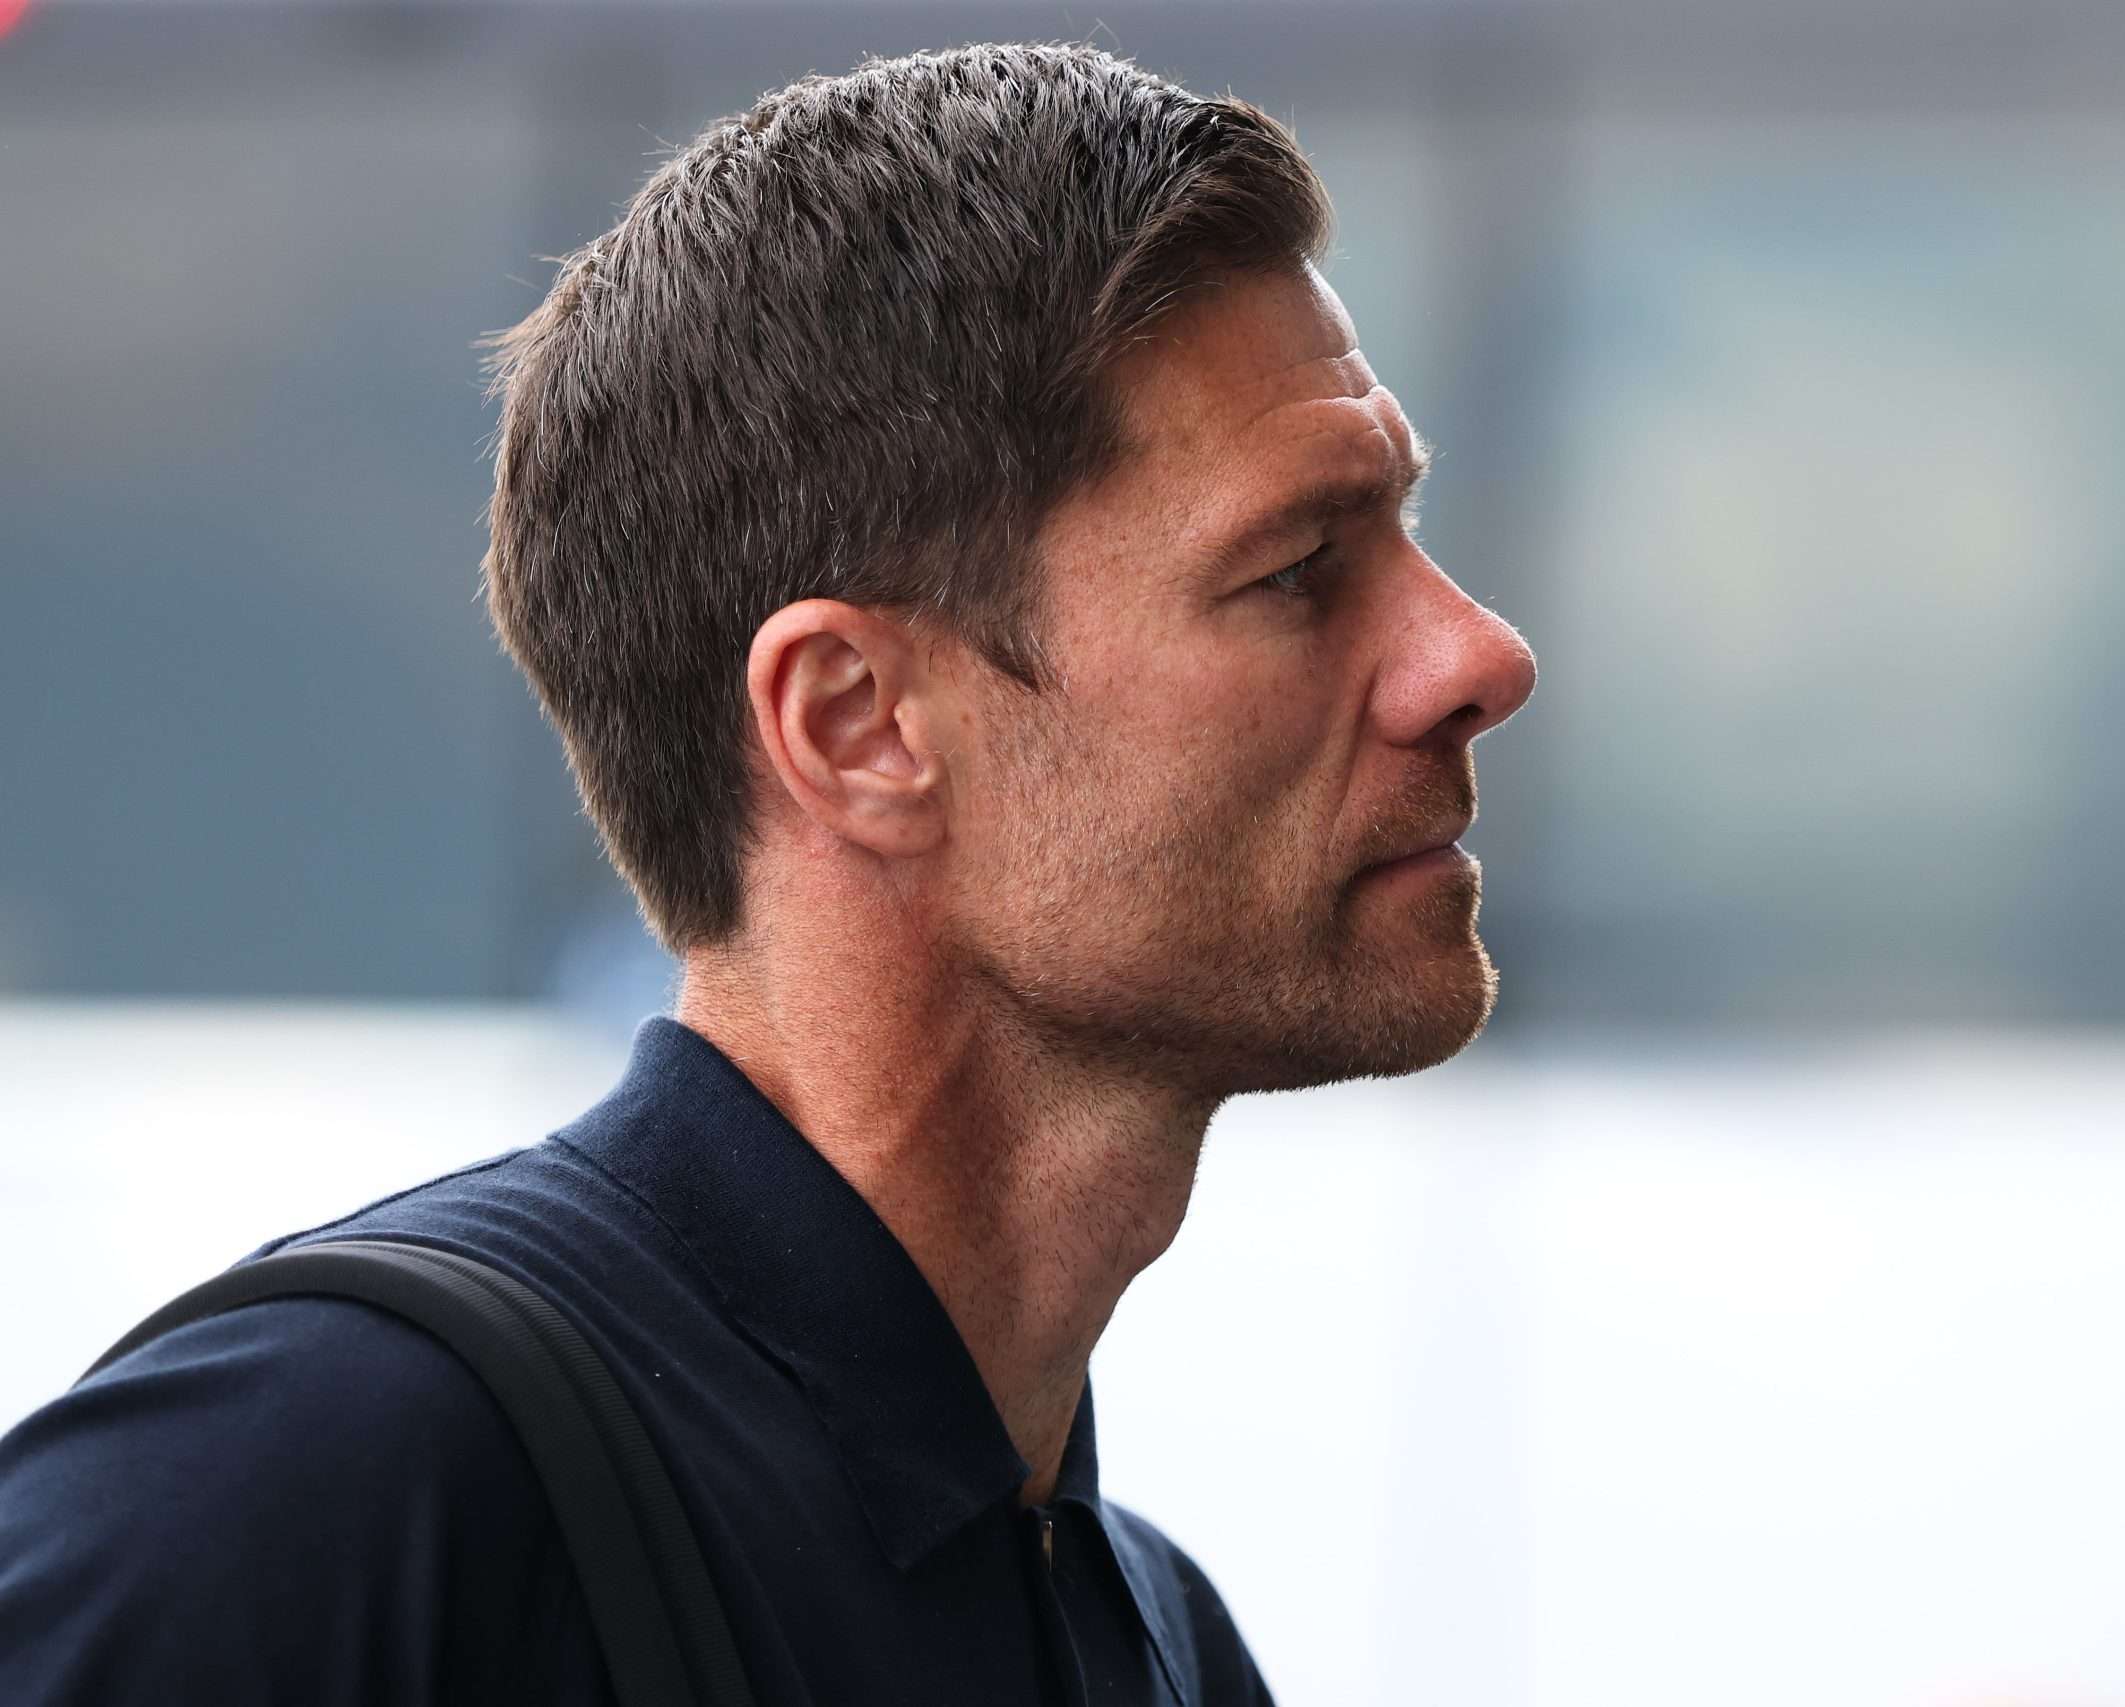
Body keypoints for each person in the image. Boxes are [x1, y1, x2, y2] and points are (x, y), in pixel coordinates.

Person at [0, 41, 1535, 1705]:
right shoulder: (312, 1486)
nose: (1475, 653)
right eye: (1301, 568)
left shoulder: (1149, 1638)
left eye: (1403, 535)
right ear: (861, 726)